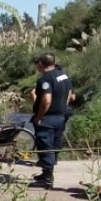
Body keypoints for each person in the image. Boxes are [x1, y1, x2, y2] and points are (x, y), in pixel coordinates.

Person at [30, 53, 73, 189]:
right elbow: (70, 94)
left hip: (48, 119)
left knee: (45, 146)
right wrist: (63, 107)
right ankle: (46, 173)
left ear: (41, 64)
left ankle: (47, 179)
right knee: (54, 145)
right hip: (61, 116)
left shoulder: (45, 79)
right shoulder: (63, 75)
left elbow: (46, 100)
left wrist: (39, 117)